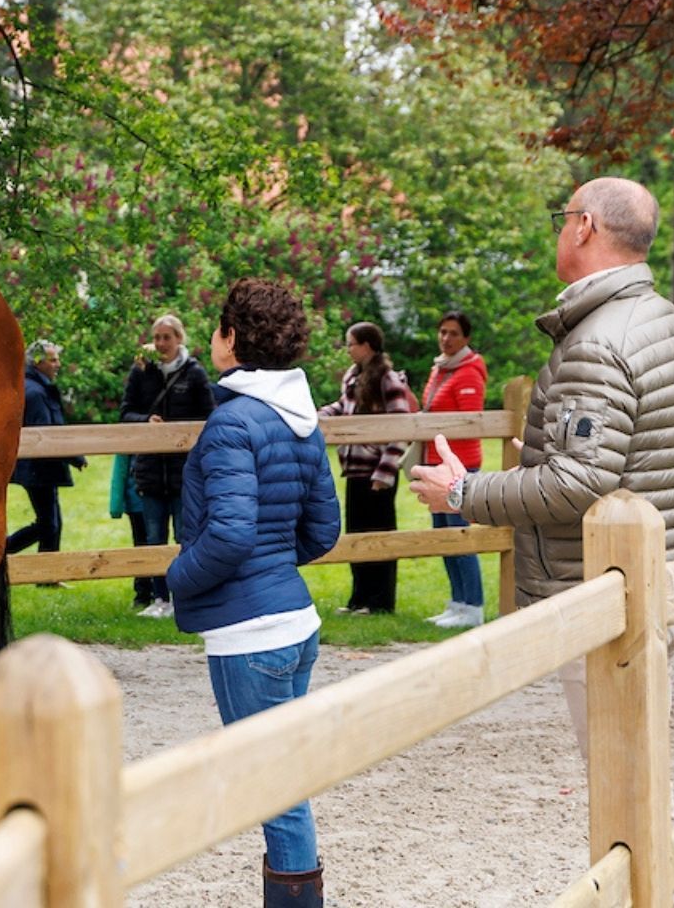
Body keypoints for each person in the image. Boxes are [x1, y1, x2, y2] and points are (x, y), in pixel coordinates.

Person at [410, 177, 674, 761]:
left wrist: (463, 489)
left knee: (623, 778)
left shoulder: (597, 342)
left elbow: (579, 483)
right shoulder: (669, 321)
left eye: (561, 218)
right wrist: (548, 456)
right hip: (658, 577)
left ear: (585, 226)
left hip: (601, 593)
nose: (559, 231)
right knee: (639, 765)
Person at [168, 278, 341, 908]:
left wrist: (176, 577)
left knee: (275, 788)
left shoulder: (231, 423)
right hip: (296, 620)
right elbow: (323, 530)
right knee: (282, 778)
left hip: (253, 635)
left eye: (217, 328)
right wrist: (272, 566)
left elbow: (233, 536)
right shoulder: (301, 417)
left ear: (232, 338)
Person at [317, 322, 416, 615]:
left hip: (377, 473)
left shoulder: (388, 379)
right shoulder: (353, 376)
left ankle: (380, 601)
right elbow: (344, 406)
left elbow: (401, 426)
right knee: (356, 533)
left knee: (379, 534)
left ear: (367, 345)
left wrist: (385, 473)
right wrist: (322, 414)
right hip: (355, 471)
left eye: (351, 343)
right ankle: (358, 598)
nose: (348, 349)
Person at [119, 314, 214, 617]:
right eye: (157, 337)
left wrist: (180, 433)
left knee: (186, 536)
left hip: (184, 470)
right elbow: (125, 413)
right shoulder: (141, 371)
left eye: (167, 337)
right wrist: (146, 421)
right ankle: (160, 599)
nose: (161, 343)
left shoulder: (195, 373)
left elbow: (209, 416)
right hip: (149, 470)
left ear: (179, 339)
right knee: (153, 537)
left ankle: (185, 598)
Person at [420, 311, 489, 628]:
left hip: (460, 465)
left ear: (466, 338)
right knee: (443, 536)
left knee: (459, 538)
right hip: (437, 464)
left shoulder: (469, 371)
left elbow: (470, 421)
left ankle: (472, 607)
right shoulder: (440, 369)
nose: (446, 338)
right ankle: (457, 604)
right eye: (442, 332)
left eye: (453, 334)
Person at [6, 339, 87, 562]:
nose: (58, 364)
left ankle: (47, 574)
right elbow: (47, 433)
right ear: (39, 362)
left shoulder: (35, 386)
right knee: (47, 523)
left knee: (52, 521)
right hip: (39, 468)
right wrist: (76, 456)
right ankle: (1, 552)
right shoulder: (36, 392)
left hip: (41, 467)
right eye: (53, 360)